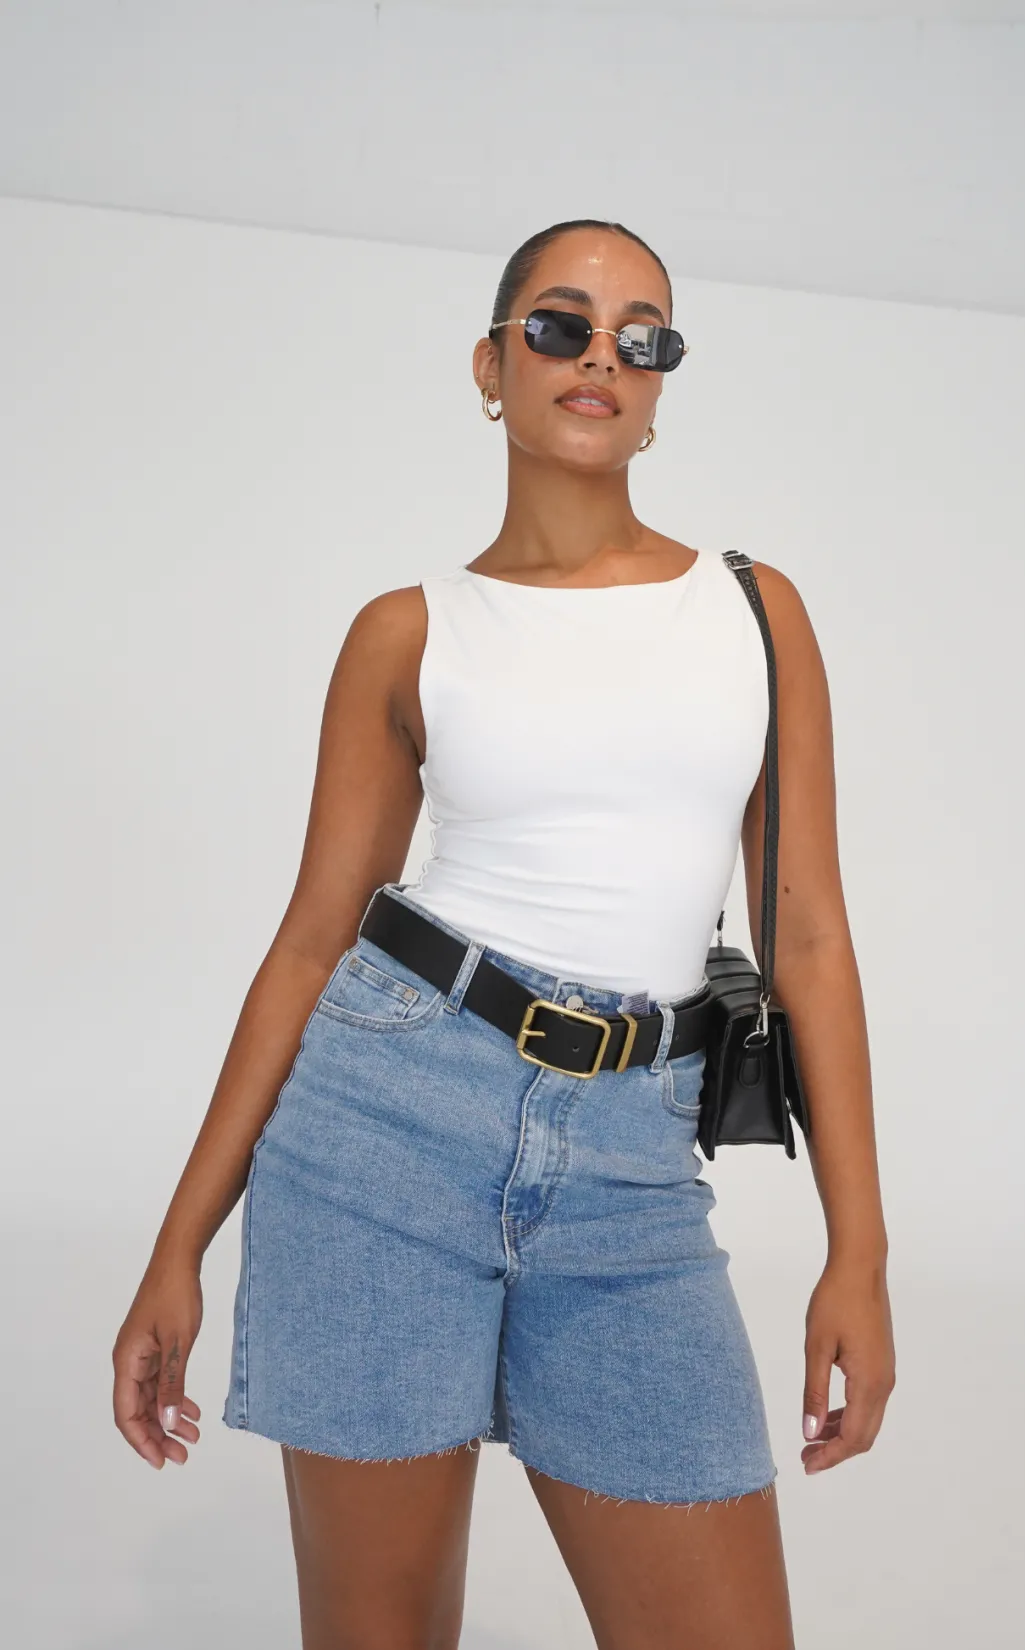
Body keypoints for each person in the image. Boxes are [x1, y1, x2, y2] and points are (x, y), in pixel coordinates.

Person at [112, 218, 895, 1650]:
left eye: (642, 337)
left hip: (633, 1171)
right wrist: (180, 1244)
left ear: (660, 384)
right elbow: (311, 943)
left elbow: (811, 941)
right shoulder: (411, 632)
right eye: (560, 325)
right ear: (491, 365)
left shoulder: (753, 612)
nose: (602, 355)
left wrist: (862, 1251)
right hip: (383, 1133)